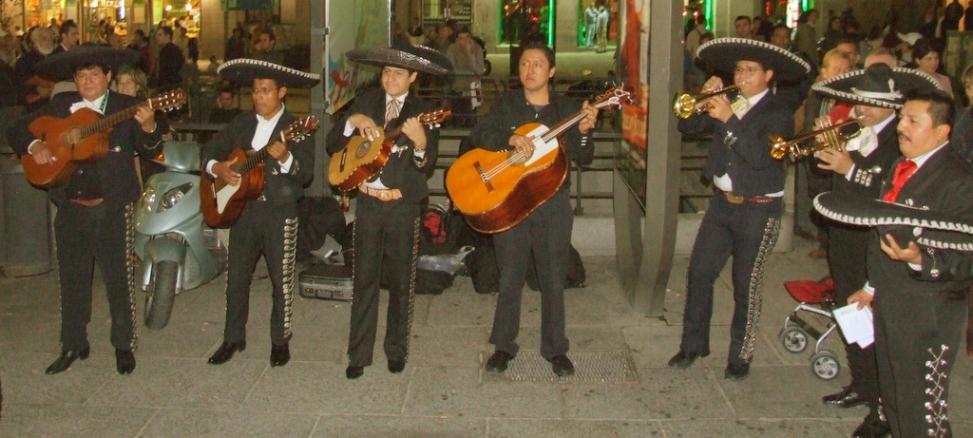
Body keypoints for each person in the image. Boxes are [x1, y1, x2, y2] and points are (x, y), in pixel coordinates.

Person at [5, 46, 166, 375]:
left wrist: (150, 127)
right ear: (74, 80)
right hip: (71, 205)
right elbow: (17, 129)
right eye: (81, 76)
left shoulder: (127, 106)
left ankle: (123, 345)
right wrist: (36, 145)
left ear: (108, 77)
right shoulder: (61, 105)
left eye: (94, 74)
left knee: (118, 280)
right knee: (72, 280)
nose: (88, 81)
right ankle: (73, 343)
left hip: (111, 206)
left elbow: (152, 150)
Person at [810, 63, 940, 437]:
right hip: (844, 235)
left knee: (877, 325)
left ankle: (883, 407)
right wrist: (825, 150)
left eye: (868, 103)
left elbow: (889, 191)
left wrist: (850, 168)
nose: (859, 109)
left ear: (890, 106)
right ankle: (863, 383)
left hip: (874, 241)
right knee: (848, 311)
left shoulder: (898, 141)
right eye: (858, 102)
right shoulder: (856, 131)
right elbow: (821, 180)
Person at [668, 38, 810, 380]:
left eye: (750, 70)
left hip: (759, 209)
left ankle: (740, 356)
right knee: (699, 273)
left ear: (768, 75)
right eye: (738, 69)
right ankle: (693, 345)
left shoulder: (779, 113)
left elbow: (760, 158)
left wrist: (729, 118)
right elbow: (687, 127)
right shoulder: (728, 101)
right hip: (721, 205)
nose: (741, 76)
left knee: (746, 285)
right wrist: (702, 102)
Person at [846, 90, 973, 438]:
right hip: (892, 301)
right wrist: (871, 287)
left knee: (922, 411)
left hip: (928, 313)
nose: (900, 126)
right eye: (901, 118)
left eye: (912, 121)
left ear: (942, 131)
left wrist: (921, 258)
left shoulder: (960, 181)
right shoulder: (901, 165)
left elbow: (966, 259)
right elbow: (885, 232)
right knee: (894, 399)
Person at [473, 42, 598, 378]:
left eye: (538, 64)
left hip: (552, 205)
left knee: (553, 278)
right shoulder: (507, 104)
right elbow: (479, 134)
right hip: (512, 203)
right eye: (525, 63)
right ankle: (503, 346)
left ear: (551, 71)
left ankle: (556, 349)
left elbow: (584, 157)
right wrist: (510, 138)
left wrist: (584, 133)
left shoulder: (567, 109)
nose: (530, 70)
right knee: (509, 276)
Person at [332, 43, 447, 379]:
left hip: (401, 206)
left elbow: (426, 166)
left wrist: (421, 142)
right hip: (368, 203)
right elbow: (331, 144)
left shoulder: (423, 111)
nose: (390, 78)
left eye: (398, 73)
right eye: (386, 72)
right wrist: (352, 121)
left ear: (413, 77)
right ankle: (358, 353)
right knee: (363, 278)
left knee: (401, 280)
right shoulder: (366, 101)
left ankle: (396, 350)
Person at [202, 59, 319, 368]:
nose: (259, 96)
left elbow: (306, 174)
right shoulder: (241, 123)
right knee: (236, 277)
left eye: (266, 90)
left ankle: (280, 341)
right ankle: (232, 337)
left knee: (281, 279)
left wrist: (285, 158)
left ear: (281, 92)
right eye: (255, 91)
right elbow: (209, 151)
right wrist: (218, 168)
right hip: (242, 210)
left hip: (279, 212)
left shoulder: (296, 128)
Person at [446, 26, 485, 127]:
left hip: (472, 89)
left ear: (470, 37)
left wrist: (470, 55)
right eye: (461, 38)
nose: (464, 41)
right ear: (457, 39)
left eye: (466, 37)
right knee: (457, 118)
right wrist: (470, 72)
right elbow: (452, 69)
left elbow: (479, 70)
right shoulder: (452, 49)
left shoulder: (477, 48)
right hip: (457, 88)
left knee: (471, 119)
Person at [14, 26, 55, 111]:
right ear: (35, 42)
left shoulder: (56, 59)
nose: (49, 42)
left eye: (51, 39)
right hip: (34, 108)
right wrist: (37, 91)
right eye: (44, 39)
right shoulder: (24, 62)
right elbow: (19, 87)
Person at [154, 26, 183, 91]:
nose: (157, 37)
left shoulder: (170, 51)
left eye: (160, 35)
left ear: (167, 36)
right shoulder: (167, 49)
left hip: (169, 86)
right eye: (157, 35)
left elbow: (170, 70)